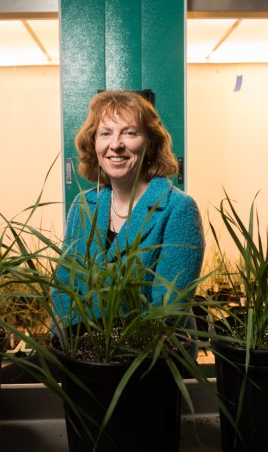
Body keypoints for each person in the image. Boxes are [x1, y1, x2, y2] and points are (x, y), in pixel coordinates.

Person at [52, 90, 205, 346]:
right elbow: (64, 288)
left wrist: (110, 349)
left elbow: (168, 307)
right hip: (86, 353)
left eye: (130, 132)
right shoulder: (83, 205)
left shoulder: (178, 208)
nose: (115, 144)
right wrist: (75, 342)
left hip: (151, 360)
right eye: (105, 133)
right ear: (94, 144)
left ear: (151, 144)